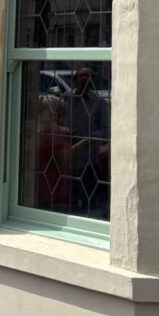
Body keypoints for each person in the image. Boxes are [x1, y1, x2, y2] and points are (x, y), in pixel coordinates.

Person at [66, 67, 110, 217]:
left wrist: (90, 138)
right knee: (70, 195)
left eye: (88, 77)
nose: (84, 80)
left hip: (89, 159)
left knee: (88, 194)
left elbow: (106, 130)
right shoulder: (68, 98)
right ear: (75, 78)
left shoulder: (99, 103)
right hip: (68, 156)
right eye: (81, 76)